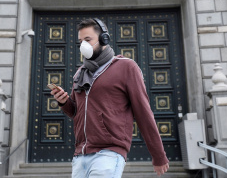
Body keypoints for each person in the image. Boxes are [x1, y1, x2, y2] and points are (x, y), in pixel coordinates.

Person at [51, 18, 169, 178]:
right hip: (80, 155)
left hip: (109, 153)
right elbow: (75, 113)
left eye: (87, 40)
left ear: (103, 39)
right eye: (80, 41)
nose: (83, 45)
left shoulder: (126, 67)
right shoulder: (81, 73)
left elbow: (143, 112)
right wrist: (64, 101)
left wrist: (158, 155)